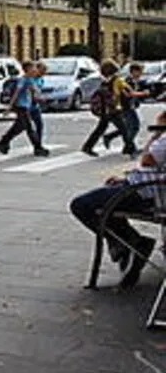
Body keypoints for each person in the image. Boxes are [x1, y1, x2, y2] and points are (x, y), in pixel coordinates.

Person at [69, 110, 166, 288]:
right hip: (146, 187)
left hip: (148, 193)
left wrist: (157, 133)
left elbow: (146, 160)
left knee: (81, 205)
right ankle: (129, 242)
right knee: (104, 199)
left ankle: (130, 242)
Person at [0, 61, 48, 157]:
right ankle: (38, 148)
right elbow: (16, 93)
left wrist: (41, 97)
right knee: (29, 128)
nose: (35, 70)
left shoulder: (30, 80)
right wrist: (9, 107)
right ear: (28, 69)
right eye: (33, 68)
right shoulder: (23, 80)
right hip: (21, 107)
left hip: (26, 107)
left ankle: (3, 143)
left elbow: (35, 91)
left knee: (18, 127)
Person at [82, 60, 134, 157]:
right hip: (113, 109)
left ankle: (87, 146)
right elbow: (125, 91)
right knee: (124, 128)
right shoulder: (116, 80)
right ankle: (130, 148)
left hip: (105, 109)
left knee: (101, 128)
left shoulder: (104, 81)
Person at [106, 63, 150, 151]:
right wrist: (143, 93)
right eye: (140, 72)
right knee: (134, 127)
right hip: (126, 107)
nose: (141, 74)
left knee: (128, 128)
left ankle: (125, 145)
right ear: (133, 71)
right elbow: (128, 94)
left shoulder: (133, 81)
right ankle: (128, 146)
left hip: (128, 107)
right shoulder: (128, 81)